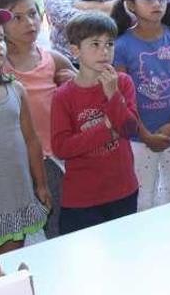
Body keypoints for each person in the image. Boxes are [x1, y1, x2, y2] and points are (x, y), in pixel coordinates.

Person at [110, 0, 170, 211]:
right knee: (143, 196)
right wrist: (145, 133)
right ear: (130, 4)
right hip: (139, 135)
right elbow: (120, 97)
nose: (156, 3)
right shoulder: (121, 45)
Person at [51, 12, 139, 235]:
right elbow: (61, 147)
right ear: (75, 50)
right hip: (82, 196)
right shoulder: (63, 96)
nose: (104, 51)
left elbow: (130, 129)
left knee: (124, 250)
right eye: (95, 44)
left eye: (110, 43)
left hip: (123, 188)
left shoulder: (122, 82)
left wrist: (113, 96)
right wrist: (108, 128)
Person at [0, 0, 75, 238]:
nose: (29, 22)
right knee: (18, 228)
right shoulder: (3, 67)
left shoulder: (52, 59)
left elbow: (83, 92)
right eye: (17, 18)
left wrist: (70, 84)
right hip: (15, 162)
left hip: (53, 157)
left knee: (56, 221)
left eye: (32, 14)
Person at [0, 8, 50, 254]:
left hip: (14, 193)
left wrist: (40, 184)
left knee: (12, 258)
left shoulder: (16, 89)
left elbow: (31, 139)